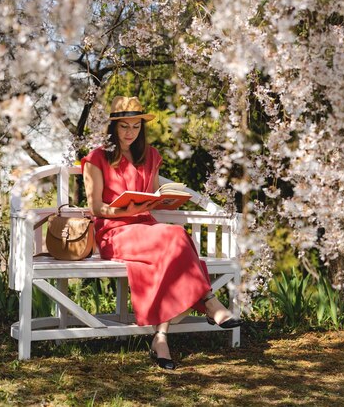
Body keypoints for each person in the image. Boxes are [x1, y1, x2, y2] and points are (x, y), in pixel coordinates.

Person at [81, 96, 242, 370]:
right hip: (115, 232)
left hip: (148, 229)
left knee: (175, 237)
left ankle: (161, 337)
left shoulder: (150, 155)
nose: (130, 132)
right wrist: (125, 211)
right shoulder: (97, 158)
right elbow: (95, 207)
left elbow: (153, 195)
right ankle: (209, 302)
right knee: (176, 237)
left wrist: (158, 201)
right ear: (113, 128)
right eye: (124, 127)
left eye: (135, 126)